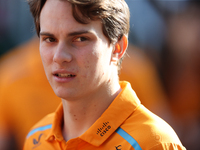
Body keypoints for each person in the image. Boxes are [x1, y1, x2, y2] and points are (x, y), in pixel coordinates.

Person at [23, 0, 185, 149]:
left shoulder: (153, 143)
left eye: (80, 38)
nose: (59, 56)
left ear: (117, 48)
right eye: (50, 39)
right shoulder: (36, 137)